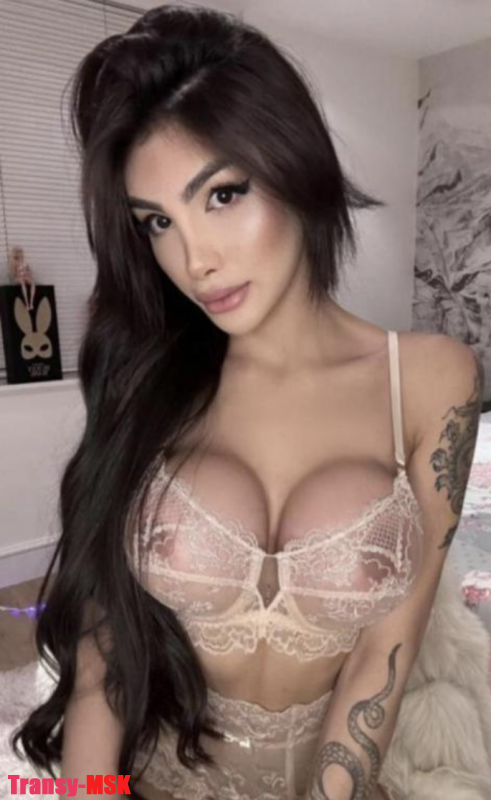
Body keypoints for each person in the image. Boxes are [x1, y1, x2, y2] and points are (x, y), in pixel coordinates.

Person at [11, 4, 490, 800]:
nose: (193, 258)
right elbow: (106, 659)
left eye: (223, 195)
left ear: (294, 166)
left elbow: (383, 654)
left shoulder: (433, 380)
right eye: (156, 222)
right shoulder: (149, 381)